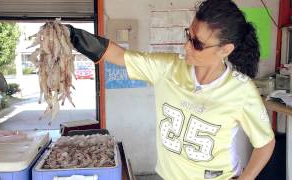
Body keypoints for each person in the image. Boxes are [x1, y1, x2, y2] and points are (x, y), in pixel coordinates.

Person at [66, 0, 275, 179]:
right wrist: (73, 36)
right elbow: (120, 56)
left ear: (225, 50)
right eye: (188, 35)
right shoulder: (168, 68)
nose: (186, 47)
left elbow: (265, 144)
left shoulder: (241, 91)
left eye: (197, 44)